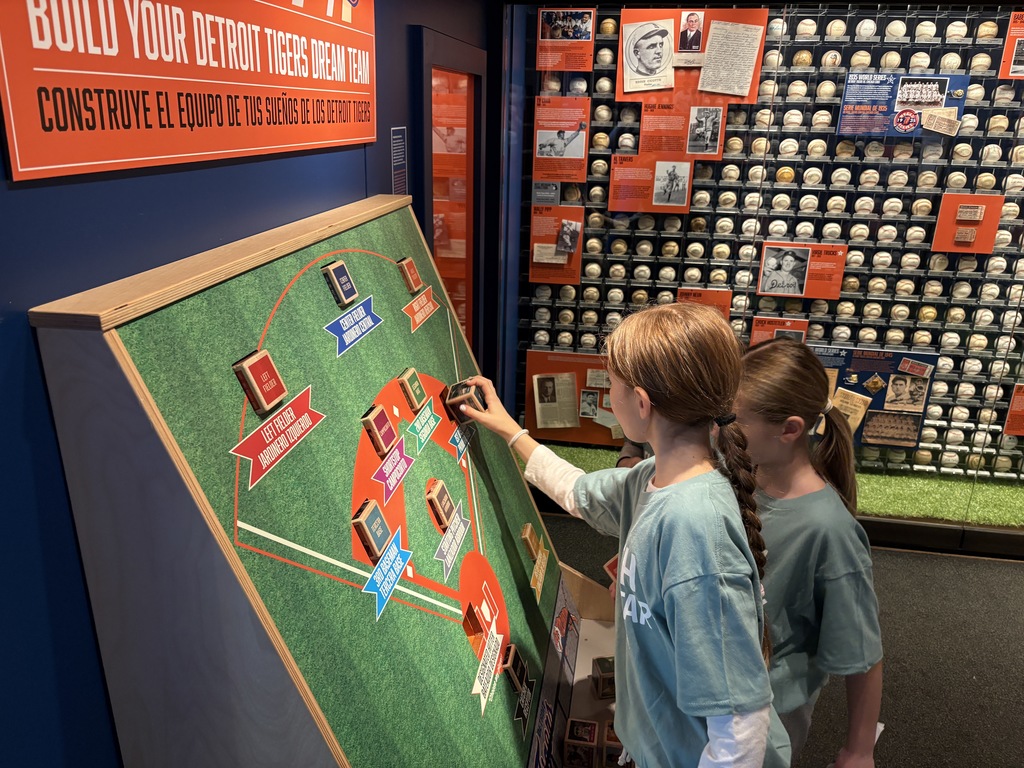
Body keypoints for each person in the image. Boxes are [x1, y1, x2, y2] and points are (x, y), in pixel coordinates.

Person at [459, 303, 791, 767]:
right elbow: (577, 492)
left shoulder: (695, 529)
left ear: (640, 403)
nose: (607, 393)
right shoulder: (653, 476)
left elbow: (741, 726)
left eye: (611, 383)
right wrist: (512, 432)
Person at [735, 338, 883, 767]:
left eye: (735, 421)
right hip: (716, 682)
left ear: (789, 430)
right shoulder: (743, 475)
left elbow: (863, 652)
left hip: (771, 711)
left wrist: (858, 750)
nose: (719, 430)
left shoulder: (830, 530)